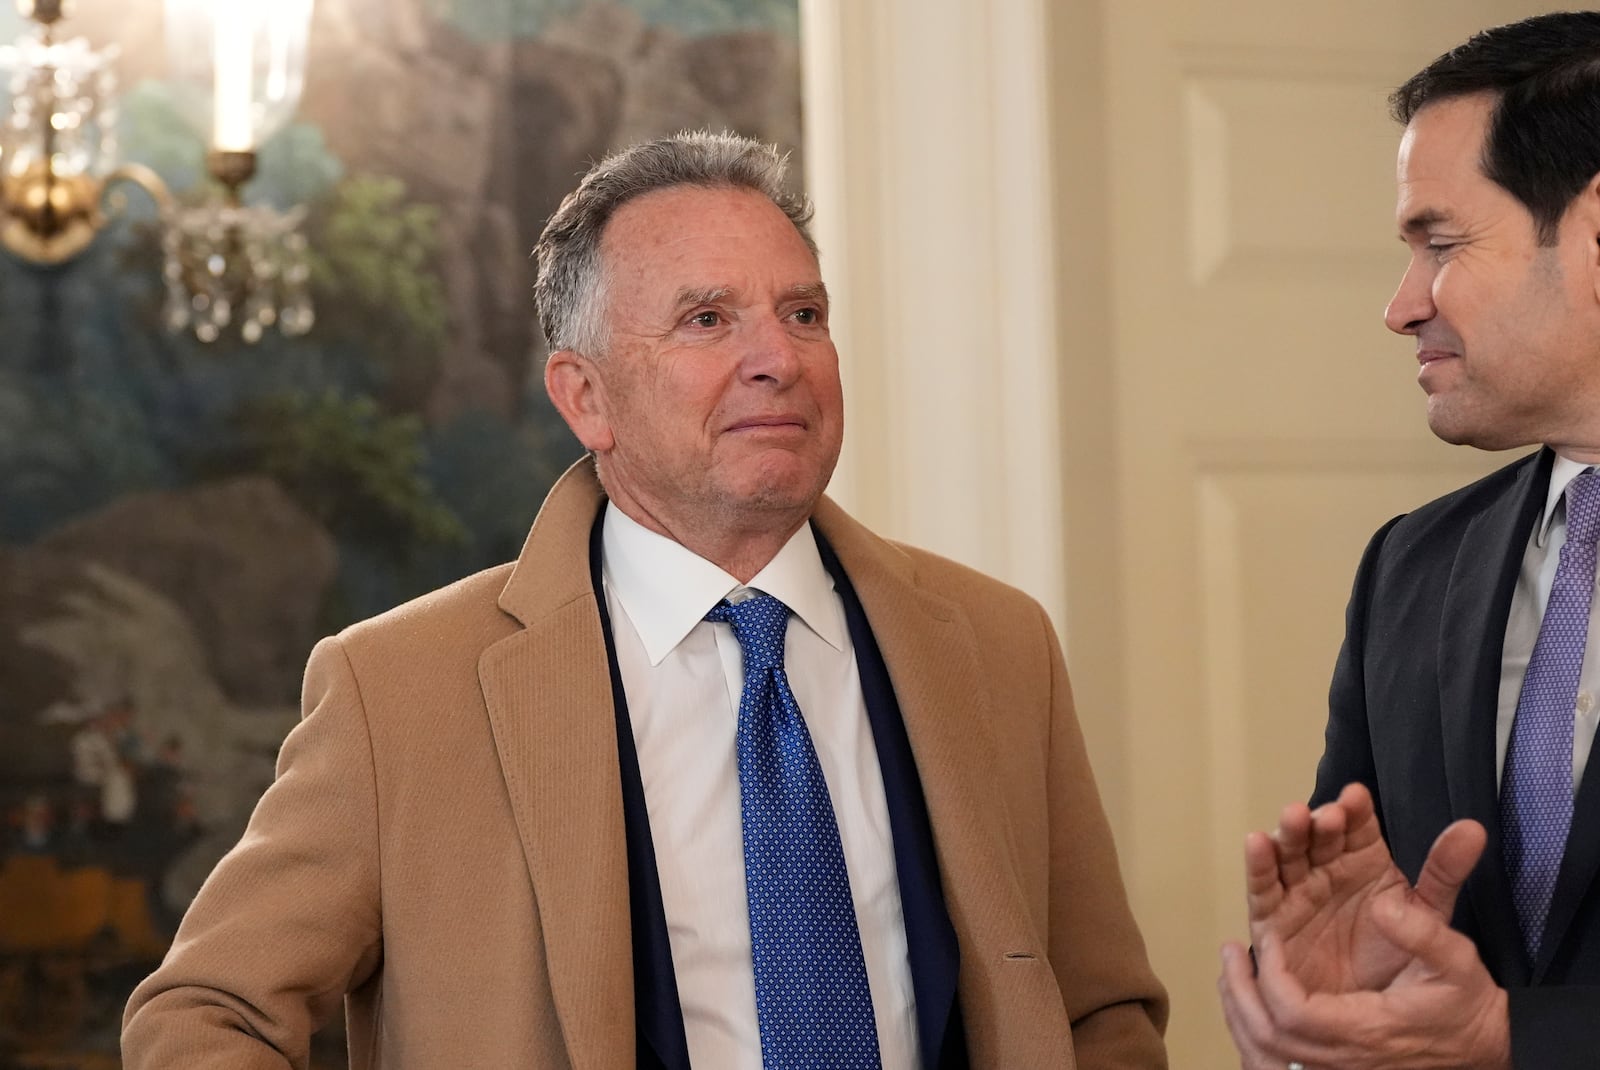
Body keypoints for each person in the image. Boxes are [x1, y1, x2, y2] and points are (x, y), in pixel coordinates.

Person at [121, 132, 1168, 1069]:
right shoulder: (397, 690)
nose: (778, 359)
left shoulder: (996, 643)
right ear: (586, 396)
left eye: (802, 312)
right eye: (707, 319)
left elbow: (1100, 1017)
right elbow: (203, 1011)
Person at [1219, 13, 1600, 1070]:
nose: (1400, 306)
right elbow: (1386, 943)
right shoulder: (1410, 569)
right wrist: (1331, 1014)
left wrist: (1508, 1037)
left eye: (1438, 244)